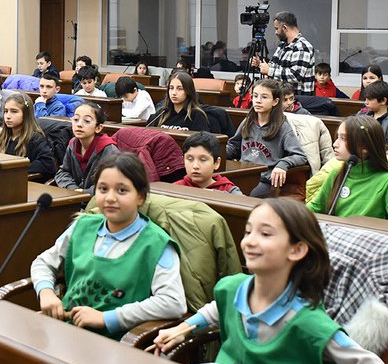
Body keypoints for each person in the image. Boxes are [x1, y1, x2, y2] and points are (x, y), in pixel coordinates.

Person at [155, 199, 388, 364]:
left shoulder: (308, 322)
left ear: (297, 250)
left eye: (265, 234)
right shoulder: (233, 288)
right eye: (248, 232)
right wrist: (184, 327)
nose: (249, 241)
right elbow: (218, 308)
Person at [31, 152, 184, 338]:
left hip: (116, 342)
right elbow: (43, 262)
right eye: (103, 189)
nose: (110, 198)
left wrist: (108, 318)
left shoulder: (157, 244)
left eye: (122, 191)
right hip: (66, 330)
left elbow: (173, 302)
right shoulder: (82, 226)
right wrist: (46, 291)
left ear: (141, 197)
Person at [308, 115, 388, 222]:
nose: (335, 144)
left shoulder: (387, 181)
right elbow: (315, 208)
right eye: (337, 137)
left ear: (365, 147)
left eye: (343, 139)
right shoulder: (337, 174)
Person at [225, 79, 308, 198]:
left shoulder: (282, 127)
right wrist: (216, 152)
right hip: (242, 174)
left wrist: (282, 165)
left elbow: (300, 155)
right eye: (255, 96)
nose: (258, 101)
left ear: (275, 101)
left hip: (264, 181)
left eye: (264, 97)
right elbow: (233, 146)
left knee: (244, 196)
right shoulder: (248, 122)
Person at [0, 92, 56, 178]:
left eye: (14, 111)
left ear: (26, 114)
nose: (8, 116)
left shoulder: (35, 140)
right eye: (5, 111)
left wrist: (15, 170)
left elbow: (47, 164)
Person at [55, 101, 120, 194]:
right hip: (74, 197)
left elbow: (113, 183)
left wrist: (85, 193)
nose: (79, 124)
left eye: (87, 121)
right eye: (76, 119)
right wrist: (73, 189)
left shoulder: (109, 150)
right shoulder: (73, 144)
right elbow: (63, 172)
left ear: (98, 128)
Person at [255, 11, 316, 95]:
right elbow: (273, 66)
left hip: (297, 101)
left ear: (284, 28)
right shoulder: (282, 46)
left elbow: (295, 75)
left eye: (276, 28)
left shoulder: (302, 46)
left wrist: (269, 70)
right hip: (281, 99)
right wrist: (259, 65)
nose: (275, 32)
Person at [174, 132, 242, 195]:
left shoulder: (230, 191)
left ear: (216, 163)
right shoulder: (175, 189)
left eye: (203, 160)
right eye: (190, 159)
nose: (195, 166)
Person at [360, 81, 388, 149]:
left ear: (383, 100)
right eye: (365, 99)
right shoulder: (363, 115)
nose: (366, 102)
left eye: (370, 99)